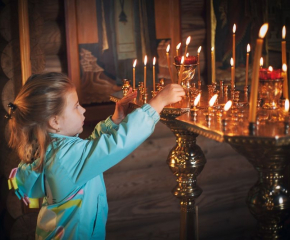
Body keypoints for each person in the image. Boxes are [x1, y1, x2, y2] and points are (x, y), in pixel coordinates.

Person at [6, 72, 185, 239]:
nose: (83, 110)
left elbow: (89, 151)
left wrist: (115, 120)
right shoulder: (66, 157)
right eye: (76, 106)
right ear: (55, 121)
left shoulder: (54, 149)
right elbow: (115, 145)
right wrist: (156, 104)